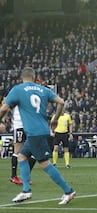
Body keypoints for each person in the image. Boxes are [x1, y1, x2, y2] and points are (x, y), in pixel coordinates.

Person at [0, 67, 75, 204]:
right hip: (42, 130)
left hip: (35, 133)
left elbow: (4, 108)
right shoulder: (43, 89)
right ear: (34, 77)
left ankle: (68, 191)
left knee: (44, 163)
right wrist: (56, 118)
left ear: (22, 78)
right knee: (22, 156)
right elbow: (61, 102)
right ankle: (26, 190)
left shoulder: (18, 89)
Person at [10, 106, 36, 185]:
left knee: (34, 151)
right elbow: (8, 106)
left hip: (30, 125)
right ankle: (13, 176)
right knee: (17, 151)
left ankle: (26, 176)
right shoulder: (16, 94)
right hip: (19, 125)